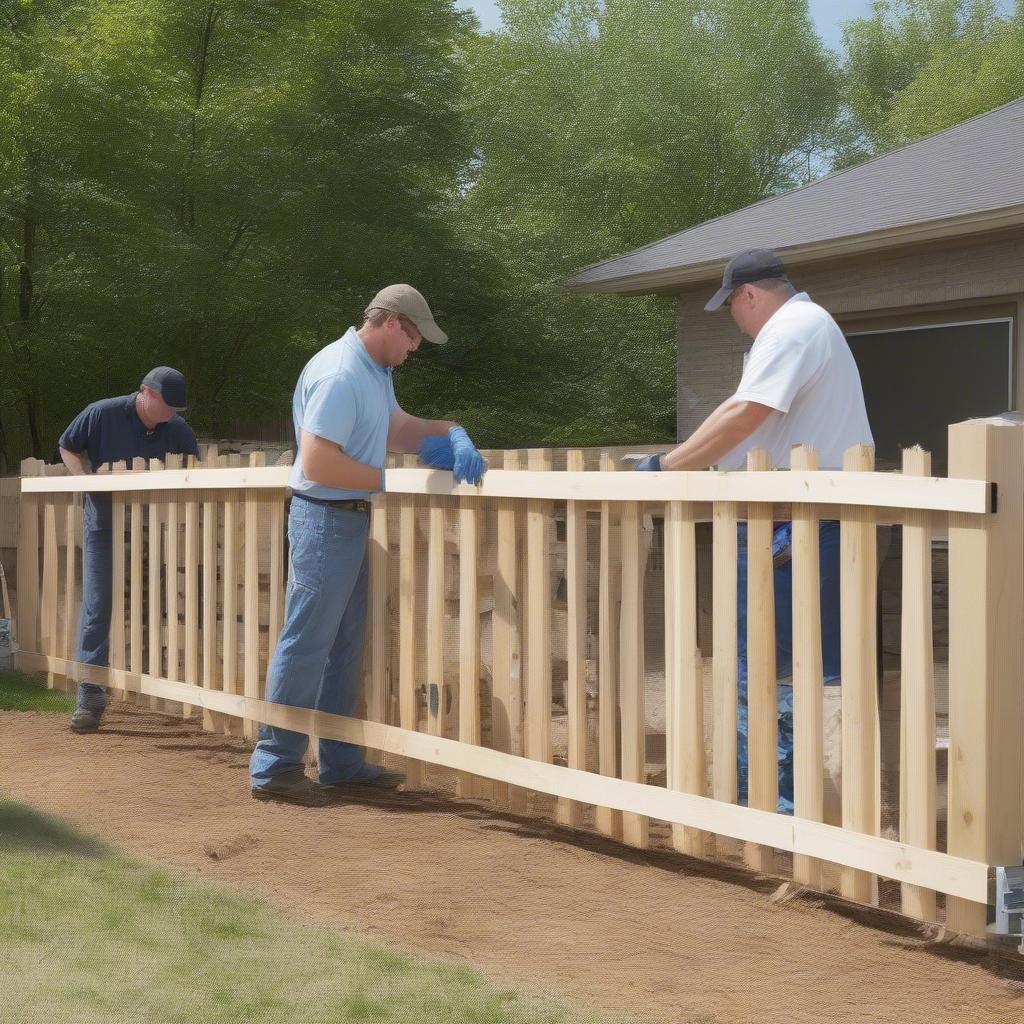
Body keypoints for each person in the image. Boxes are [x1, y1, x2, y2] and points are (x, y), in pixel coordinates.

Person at [634, 249, 873, 812]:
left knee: (772, 662)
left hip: (793, 517)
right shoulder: (802, 327)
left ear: (749, 295)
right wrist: (674, 460)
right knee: (773, 658)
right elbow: (736, 406)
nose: (733, 319)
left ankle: (773, 803)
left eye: (731, 308)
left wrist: (666, 470)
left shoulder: (790, 329)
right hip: (795, 510)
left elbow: (747, 414)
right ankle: (765, 796)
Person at [249, 284, 487, 807]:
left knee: (342, 648)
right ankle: (276, 767)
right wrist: (387, 480)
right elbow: (316, 462)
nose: (417, 348)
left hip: (347, 519)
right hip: (324, 519)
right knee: (307, 643)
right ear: (391, 323)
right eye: (416, 336)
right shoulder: (339, 373)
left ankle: (339, 762)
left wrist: (450, 434)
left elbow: (398, 429)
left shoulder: (374, 373)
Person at [59, 367, 199, 733]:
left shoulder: (177, 429)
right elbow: (68, 445)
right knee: (98, 606)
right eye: (166, 406)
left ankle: (154, 680)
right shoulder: (101, 413)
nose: (170, 414)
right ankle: (90, 697)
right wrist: (85, 481)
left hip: (157, 532)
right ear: (144, 393)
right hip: (105, 527)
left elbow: (195, 469)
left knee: (157, 603)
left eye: (176, 409)